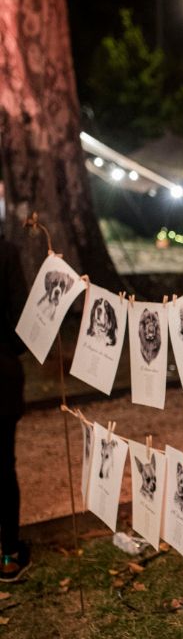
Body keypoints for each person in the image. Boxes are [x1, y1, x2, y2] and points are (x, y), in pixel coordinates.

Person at [0, 234, 30, 582]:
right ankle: (7, 553)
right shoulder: (6, 251)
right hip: (1, 374)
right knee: (3, 466)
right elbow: (22, 320)